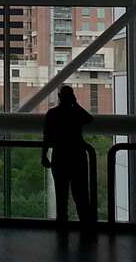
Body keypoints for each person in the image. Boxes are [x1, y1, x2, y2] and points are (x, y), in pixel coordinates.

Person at [41, 85, 94, 226]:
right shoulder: (75, 113)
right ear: (72, 97)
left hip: (60, 156)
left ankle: (62, 227)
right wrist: (75, 104)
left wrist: (44, 155)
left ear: (59, 97)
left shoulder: (52, 114)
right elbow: (89, 119)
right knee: (81, 195)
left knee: (61, 195)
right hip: (77, 156)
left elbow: (46, 136)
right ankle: (86, 226)